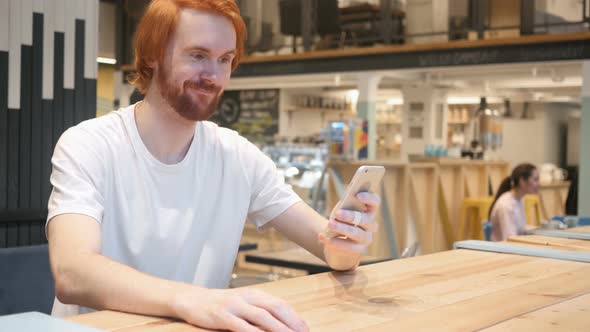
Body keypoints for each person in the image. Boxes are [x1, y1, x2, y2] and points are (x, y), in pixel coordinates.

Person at [46, 1, 381, 331]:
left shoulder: (238, 156)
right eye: (197, 55)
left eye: (225, 60)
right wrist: (194, 300)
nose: (214, 75)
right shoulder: (88, 144)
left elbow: (329, 250)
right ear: (152, 54)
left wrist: (346, 243)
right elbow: (73, 272)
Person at [488, 163, 539, 241]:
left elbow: (520, 228)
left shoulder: (519, 199)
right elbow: (510, 239)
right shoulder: (506, 205)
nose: (539, 184)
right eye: (535, 179)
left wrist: (542, 230)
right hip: (503, 249)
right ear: (522, 181)